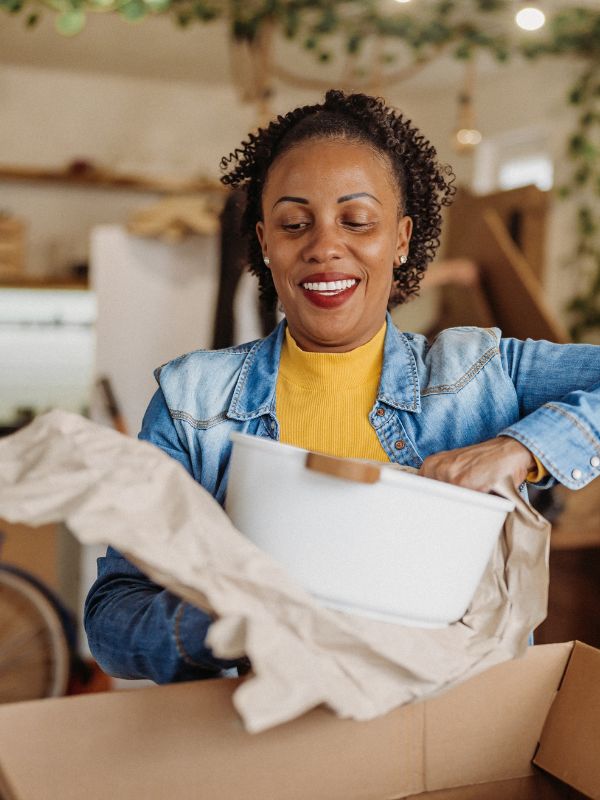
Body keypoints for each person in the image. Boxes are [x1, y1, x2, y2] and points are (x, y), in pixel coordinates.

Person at [84, 89, 600, 684]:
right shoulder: (193, 403)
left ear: (401, 240)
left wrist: (523, 448)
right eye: (294, 223)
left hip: (454, 742)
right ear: (265, 242)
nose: (325, 247)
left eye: (357, 221)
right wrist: (232, 617)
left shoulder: (481, 374)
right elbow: (113, 618)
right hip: (266, 749)